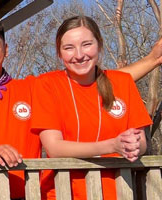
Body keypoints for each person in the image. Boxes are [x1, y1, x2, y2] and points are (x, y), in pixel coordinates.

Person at [0, 17, 162, 200]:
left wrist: (152, 60)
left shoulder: (33, 87)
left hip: (30, 193)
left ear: (6, 48)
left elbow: (99, 81)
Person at [31, 16, 151, 200]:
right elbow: (54, 147)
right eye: (69, 48)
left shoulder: (122, 82)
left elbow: (141, 141)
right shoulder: (47, 84)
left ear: (99, 45)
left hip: (117, 191)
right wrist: (112, 145)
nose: (79, 54)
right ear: (59, 52)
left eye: (86, 44)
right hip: (61, 192)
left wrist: (133, 146)